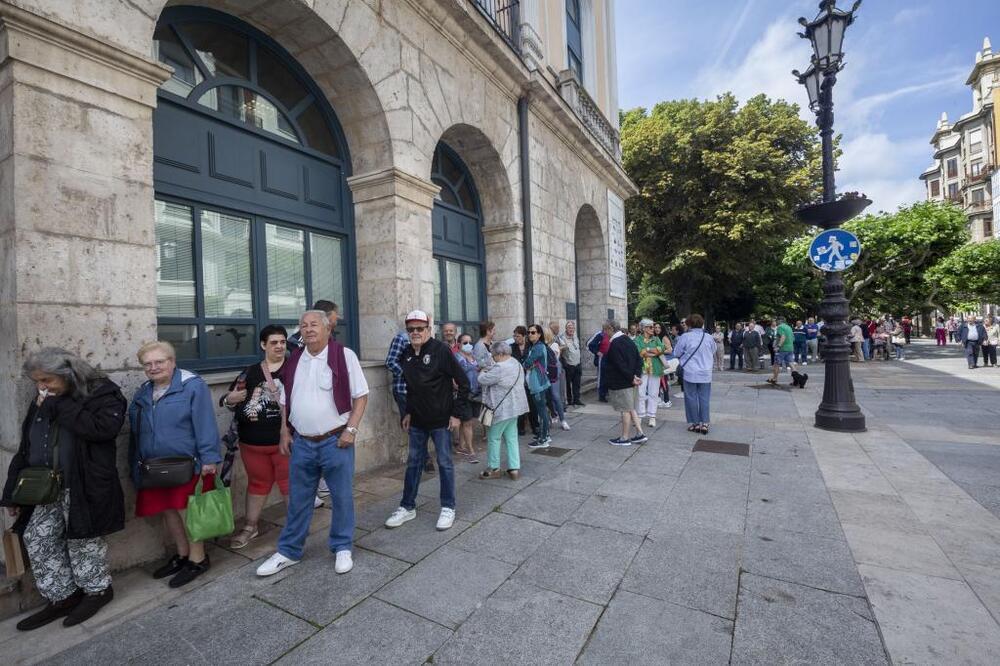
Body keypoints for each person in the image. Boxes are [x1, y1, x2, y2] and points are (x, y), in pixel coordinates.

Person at [2, 348, 126, 630]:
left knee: (82, 540)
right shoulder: (46, 397)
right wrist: (12, 492)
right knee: (37, 539)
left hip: (84, 485)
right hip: (42, 488)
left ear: (68, 373)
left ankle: (97, 591)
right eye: (37, 381)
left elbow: (102, 429)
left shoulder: (103, 392)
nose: (41, 387)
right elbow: (27, 445)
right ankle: (63, 596)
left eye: (47, 380)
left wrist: (57, 404)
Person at [256, 310, 369, 577]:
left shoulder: (344, 356)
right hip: (303, 444)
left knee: (341, 498)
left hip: (335, 441)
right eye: (303, 325)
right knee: (299, 500)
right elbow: (286, 401)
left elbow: (361, 397)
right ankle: (289, 551)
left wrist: (351, 430)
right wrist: (284, 431)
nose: (308, 329)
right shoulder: (295, 359)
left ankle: (342, 546)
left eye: (314, 324)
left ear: (328, 328)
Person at [129, 341, 221, 588]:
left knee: (188, 511)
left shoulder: (193, 386)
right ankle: (181, 555)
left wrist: (209, 458)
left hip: (187, 463)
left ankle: (198, 558)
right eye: (147, 364)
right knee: (168, 509)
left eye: (159, 362)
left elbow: (205, 423)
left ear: (172, 361)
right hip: (155, 465)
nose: (153, 367)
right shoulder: (143, 392)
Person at [385, 311, 469, 532]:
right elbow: (413, 389)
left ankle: (448, 507)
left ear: (428, 330)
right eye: (411, 329)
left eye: (419, 328)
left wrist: (457, 414)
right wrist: (409, 412)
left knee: (445, 463)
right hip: (418, 422)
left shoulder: (441, 350)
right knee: (413, 464)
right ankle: (407, 506)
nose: (415, 333)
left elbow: (464, 382)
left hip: (441, 420)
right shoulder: (406, 354)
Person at [221, 325, 302, 551]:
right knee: (257, 484)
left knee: (289, 485)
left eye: (282, 342)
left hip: (285, 443)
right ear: (263, 345)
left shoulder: (296, 369)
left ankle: (296, 529)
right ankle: (250, 526)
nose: (279, 346)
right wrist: (230, 399)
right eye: (274, 342)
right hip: (251, 443)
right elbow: (228, 401)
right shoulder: (250, 372)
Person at [477, 341, 529, 480]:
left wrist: (483, 370)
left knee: (494, 438)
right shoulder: (516, 363)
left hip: (501, 410)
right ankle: (514, 468)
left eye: (493, 355)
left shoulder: (499, 368)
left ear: (500, 354)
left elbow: (482, 380)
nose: (492, 358)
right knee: (512, 438)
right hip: (515, 407)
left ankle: (494, 468)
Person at [387, 329, 435, 474]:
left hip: (423, 391)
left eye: (421, 326)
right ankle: (424, 458)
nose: (417, 329)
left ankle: (419, 456)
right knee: (413, 426)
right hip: (404, 390)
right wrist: (409, 373)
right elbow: (390, 362)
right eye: (413, 326)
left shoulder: (429, 340)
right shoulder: (401, 338)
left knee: (424, 424)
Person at [603, 319, 646, 447]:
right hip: (630, 381)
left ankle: (624, 438)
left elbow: (619, 365)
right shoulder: (628, 340)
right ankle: (640, 433)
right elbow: (639, 360)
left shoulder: (615, 343)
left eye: (605, 329)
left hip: (622, 382)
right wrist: (636, 376)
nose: (605, 332)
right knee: (630, 407)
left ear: (611, 328)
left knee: (625, 410)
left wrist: (631, 377)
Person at [672, 315, 717, 434]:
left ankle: (695, 423)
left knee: (690, 397)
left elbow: (676, 352)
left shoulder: (685, 337)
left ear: (689, 324)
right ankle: (705, 423)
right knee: (704, 398)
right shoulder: (708, 337)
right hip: (705, 372)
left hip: (690, 372)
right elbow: (713, 350)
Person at [523, 324, 553, 448]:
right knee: (542, 410)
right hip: (538, 382)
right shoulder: (535, 346)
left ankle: (543, 439)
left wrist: (527, 363)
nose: (530, 334)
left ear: (539, 334)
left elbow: (527, 363)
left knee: (542, 411)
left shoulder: (538, 347)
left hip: (538, 383)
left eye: (533, 332)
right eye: (529, 332)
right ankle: (544, 434)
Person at [454, 333, 482, 462]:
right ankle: (471, 451)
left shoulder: (473, 357)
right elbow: (452, 376)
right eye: (465, 343)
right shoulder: (457, 358)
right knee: (467, 422)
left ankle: (461, 445)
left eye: (470, 342)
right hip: (464, 394)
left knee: (468, 421)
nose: (468, 345)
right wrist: (458, 388)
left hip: (475, 394)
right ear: (459, 344)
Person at [634, 318, 665, 429]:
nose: (653, 329)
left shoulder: (656, 339)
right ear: (644, 328)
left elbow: (661, 349)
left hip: (655, 369)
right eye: (651, 327)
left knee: (654, 393)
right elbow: (639, 352)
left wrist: (647, 350)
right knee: (641, 393)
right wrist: (652, 351)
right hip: (643, 369)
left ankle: (652, 416)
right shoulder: (637, 339)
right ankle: (640, 415)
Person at [512, 326, 538, 436]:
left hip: (529, 379)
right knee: (520, 405)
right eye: (514, 336)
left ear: (524, 336)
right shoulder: (512, 347)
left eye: (517, 336)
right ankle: (520, 428)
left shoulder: (531, 346)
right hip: (517, 380)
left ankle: (535, 426)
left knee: (532, 405)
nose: (515, 338)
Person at [768, 316, 807, 388]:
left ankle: (774, 379)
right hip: (790, 348)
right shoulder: (789, 327)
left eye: (776, 321)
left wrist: (778, 346)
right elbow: (793, 338)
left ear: (779, 321)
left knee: (776, 364)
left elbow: (783, 336)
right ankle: (798, 380)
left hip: (782, 349)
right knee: (792, 365)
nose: (776, 322)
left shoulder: (780, 327)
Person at [544, 329, 571, 431]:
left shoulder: (553, 345)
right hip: (543, 373)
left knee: (555, 395)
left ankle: (562, 419)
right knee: (546, 396)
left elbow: (552, 359)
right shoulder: (541, 346)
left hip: (552, 373)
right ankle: (552, 416)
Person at [561, 321, 584, 407]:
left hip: (577, 364)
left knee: (577, 384)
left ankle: (577, 400)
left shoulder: (575, 336)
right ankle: (569, 401)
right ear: (566, 329)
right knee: (568, 384)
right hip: (569, 364)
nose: (571, 329)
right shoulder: (562, 338)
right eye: (569, 327)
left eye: (572, 328)